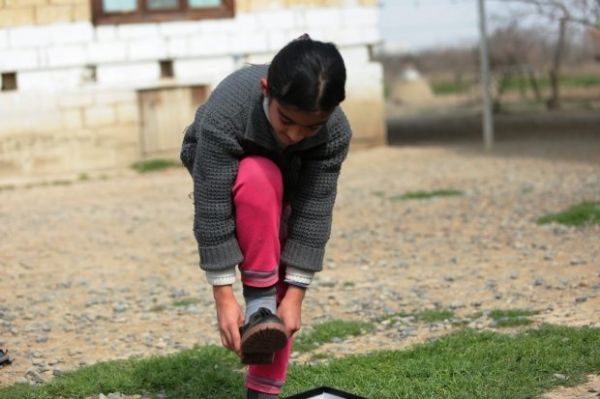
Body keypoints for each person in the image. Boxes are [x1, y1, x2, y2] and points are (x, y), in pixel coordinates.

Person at [180, 34, 352, 399]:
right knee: (259, 176)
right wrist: (224, 297)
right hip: (233, 176)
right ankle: (260, 303)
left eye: (311, 128)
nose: (294, 135)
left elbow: (314, 211)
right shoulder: (228, 109)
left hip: (289, 182)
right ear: (265, 90)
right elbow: (211, 207)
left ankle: (262, 390)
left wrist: (295, 297)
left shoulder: (336, 133)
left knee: (281, 291)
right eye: (286, 120)